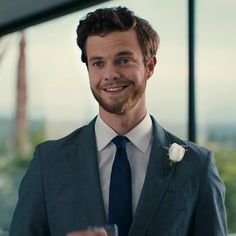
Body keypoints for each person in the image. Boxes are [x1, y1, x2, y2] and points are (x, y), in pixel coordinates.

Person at [9, 6, 227, 236]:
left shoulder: (197, 165)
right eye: (98, 63)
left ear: (149, 66)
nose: (110, 74)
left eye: (123, 60)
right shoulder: (48, 163)